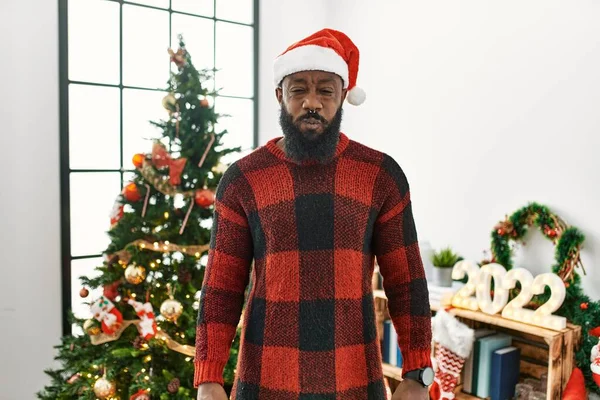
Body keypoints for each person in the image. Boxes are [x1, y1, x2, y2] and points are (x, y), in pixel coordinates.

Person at [195, 28, 433, 400]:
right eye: (299, 89)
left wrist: (418, 372)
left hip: (354, 381)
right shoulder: (243, 179)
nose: (312, 102)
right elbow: (221, 287)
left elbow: (407, 282)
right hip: (264, 382)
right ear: (280, 95)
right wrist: (208, 377)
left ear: (342, 96)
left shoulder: (381, 176)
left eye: (325, 90)